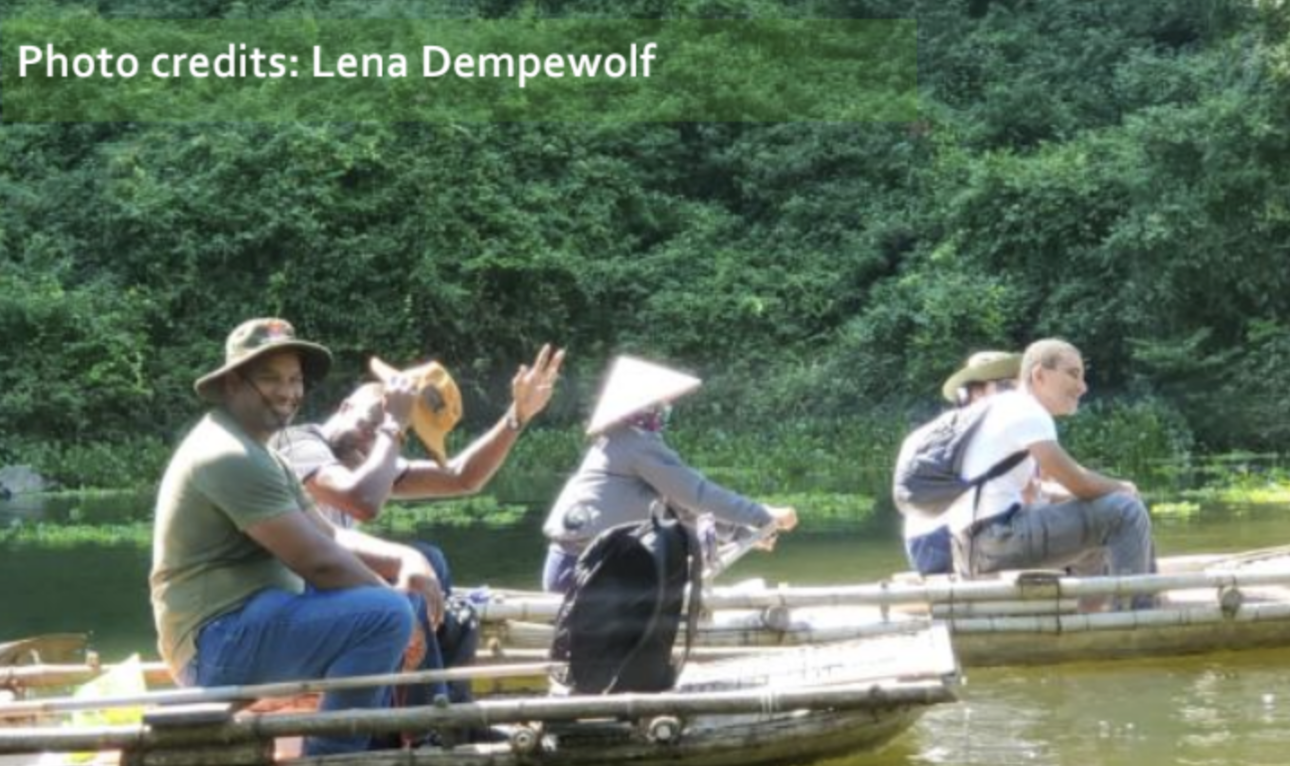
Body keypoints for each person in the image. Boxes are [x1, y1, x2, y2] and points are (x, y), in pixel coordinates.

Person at [150, 318, 443, 756]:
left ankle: (390, 734)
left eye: (294, 379)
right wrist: (397, 611)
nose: (287, 391)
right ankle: (330, 755)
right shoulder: (227, 454)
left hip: (251, 624)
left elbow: (329, 536)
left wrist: (405, 560)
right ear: (233, 383)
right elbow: (319, 563)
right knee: (386, 614)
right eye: (269, 378)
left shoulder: (262, 452)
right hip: (215, 645)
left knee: (412, 588)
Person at [273, 345, 564, 704]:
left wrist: (517, 415)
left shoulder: (367, 457)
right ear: (345, 406)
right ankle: (425, 712)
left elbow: (462, 478)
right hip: (293, 601)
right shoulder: (298, 442)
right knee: (418, 566)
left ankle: (438, 704)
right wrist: (392, 426)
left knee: (433, 565)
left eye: (386, 429)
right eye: (372, 421)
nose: (374, 436)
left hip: (333, 587)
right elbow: (360, 501)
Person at [541, 355, 799, 594]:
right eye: (661, 403)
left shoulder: (620, 440)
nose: (665, 408)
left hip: (582, 568)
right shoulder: (635, 444)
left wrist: (743, 533)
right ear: (644, 406)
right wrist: (763, 514)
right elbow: (698, 495)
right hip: (585, 572)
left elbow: (681, 508)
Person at [946, 338, 1155, 607]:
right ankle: (1134, 617)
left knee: (1097, 529)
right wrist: (1124, 489)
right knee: (1125, 510)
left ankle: (1090, 618)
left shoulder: (986, 416)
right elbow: (1079, 483)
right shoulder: (1027, 410)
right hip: (993, 539)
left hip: (967, 547)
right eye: (1073, 374)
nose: (1083, 387)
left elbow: (1036, 491)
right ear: (1039, 375)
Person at [902, 350, 1021, 575]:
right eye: (1007, 386)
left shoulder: (937, 430)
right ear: (975, 393)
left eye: (1019, 387)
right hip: (960, 544)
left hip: (922, 548)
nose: (1018, 395)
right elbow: (1033, 494)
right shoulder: (1000, 430)